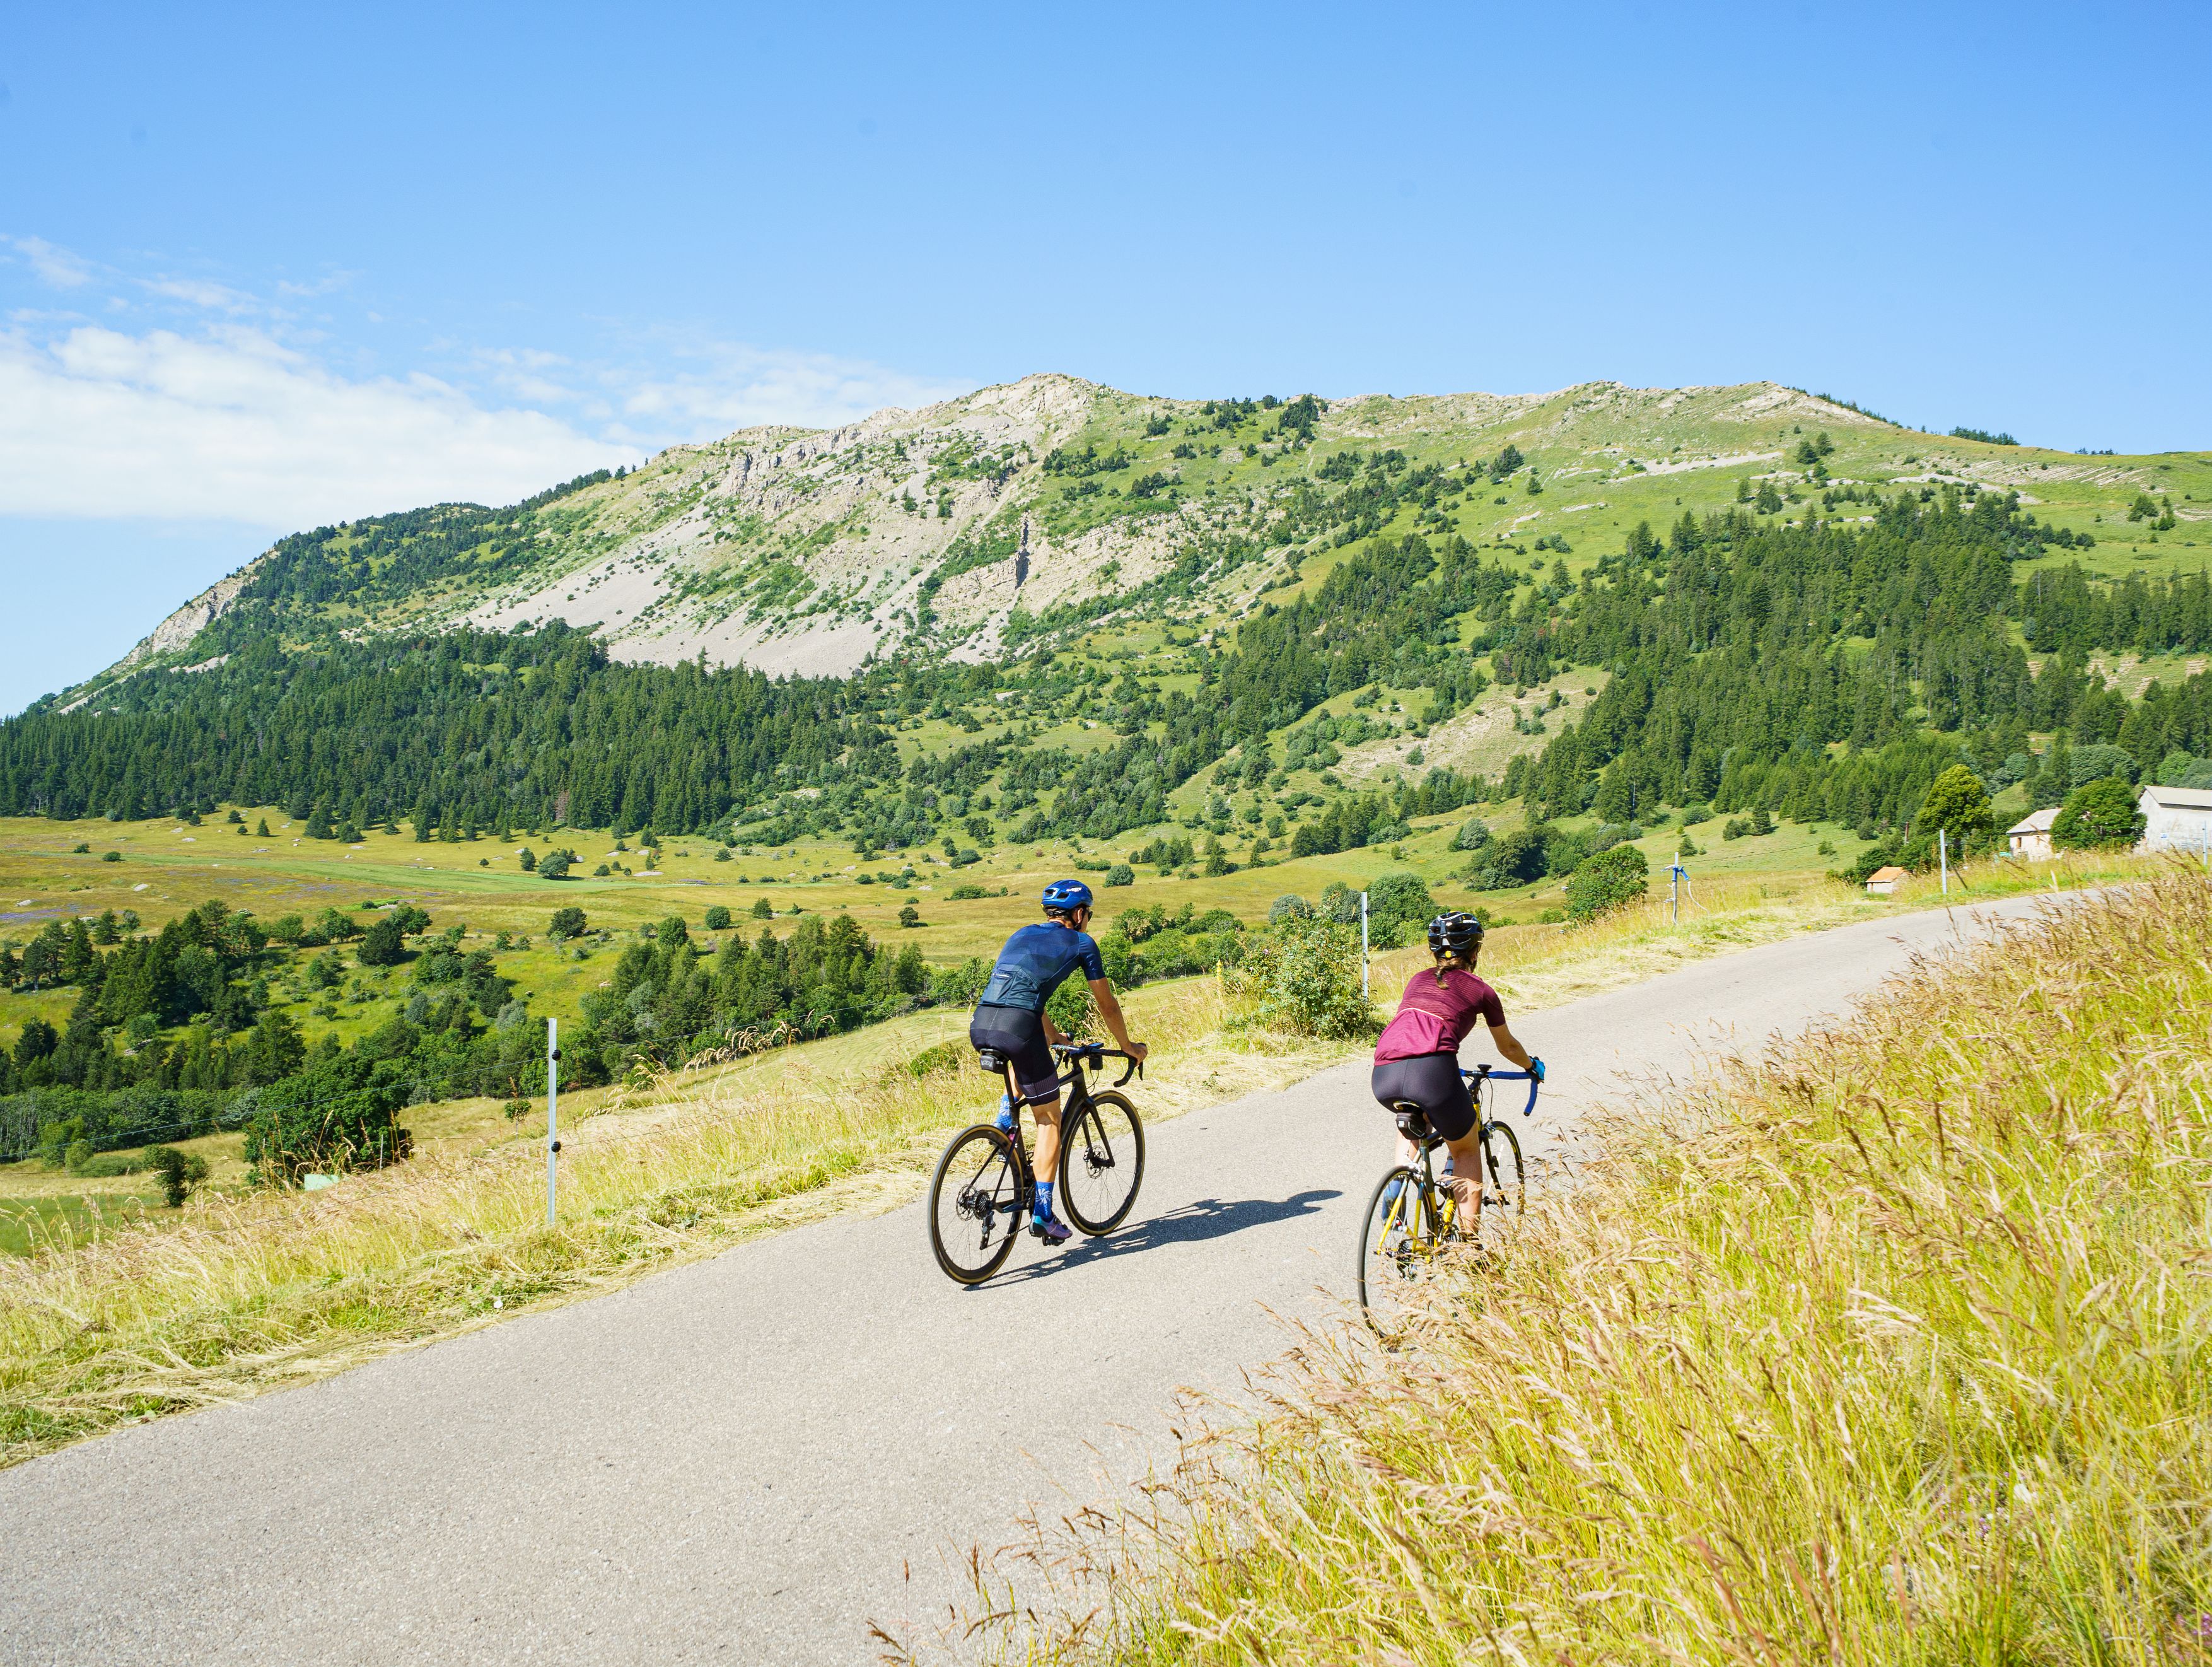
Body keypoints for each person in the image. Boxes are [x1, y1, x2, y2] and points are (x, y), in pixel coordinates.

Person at [970, 880, 1148, 1243]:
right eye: (1089, 915)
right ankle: (1044, 1214)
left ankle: (1005, 1123)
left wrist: (1054, 1037)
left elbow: (1024, 993)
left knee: (1028, 1064)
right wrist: (1127, 1044)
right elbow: (1107, 1004)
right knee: (1050, 1121)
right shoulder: (1082, 943)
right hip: (1019, 1026)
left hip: (983, 1022)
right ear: (1080, 914)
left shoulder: (1022, 933)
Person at [1371, 911, 1542, 1239]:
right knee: (1465, 1149)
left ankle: (1400, 1182)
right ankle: (1469, 1246)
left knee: (1412, 1121)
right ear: (1475, 952)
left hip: (1384, 1071)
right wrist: (1531, 1066)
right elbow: (1507, 1047)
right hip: (1433, 1071)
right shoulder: (1482, 991)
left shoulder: (1418, 980)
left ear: (1434, 952)